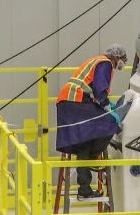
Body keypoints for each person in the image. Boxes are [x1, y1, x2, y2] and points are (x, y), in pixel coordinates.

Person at [55, 44, 129, 198]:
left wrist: (107, 104)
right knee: (109, 124)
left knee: (85, 142)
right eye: (123, 59)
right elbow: (100, 89)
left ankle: (85, 189)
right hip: (75, 101)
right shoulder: (105, 63)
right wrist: (108, 107)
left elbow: (92, 90)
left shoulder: (97, 60)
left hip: (70, 101)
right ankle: (92, 158)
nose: (122, 63)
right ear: (116, 57)